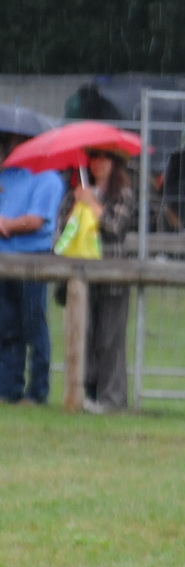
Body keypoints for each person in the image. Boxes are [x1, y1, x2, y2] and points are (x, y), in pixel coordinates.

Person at [57, 150, 136, 412]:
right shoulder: (74, 194)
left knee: (110, 339)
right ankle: (85, 394)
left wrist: (93, 205)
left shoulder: (123, 194)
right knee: (84, 336)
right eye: (94, 158)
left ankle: (112, 399)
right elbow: (61, 235)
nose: (99, 163)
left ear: (114, 163)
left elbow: (115, 228)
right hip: (79, 277)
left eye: (105, 158)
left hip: (113, 276)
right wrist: (76, 209)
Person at [0, 132, 65, 404]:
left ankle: (38, 391)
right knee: (6, 326)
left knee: (33, 325)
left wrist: (8, 225)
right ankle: (8, 388)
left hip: (32, 259)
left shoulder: (48, 178)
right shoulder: (6, 176)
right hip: (5, 260)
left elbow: (37, 220)